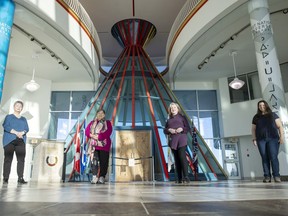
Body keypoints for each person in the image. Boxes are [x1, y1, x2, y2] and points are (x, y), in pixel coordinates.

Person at [251, 100, 284, 183]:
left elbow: (280, 126)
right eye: (260, 105)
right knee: (264, 158)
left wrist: (282, 137)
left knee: (273, 157)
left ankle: (276, 176)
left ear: (266, 105)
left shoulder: (273, 115)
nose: (262, 106)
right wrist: (254, 139)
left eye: (263, 105)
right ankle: (267, 177)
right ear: (258, 107)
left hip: (273, 139)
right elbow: (253, 129)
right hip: (261, 140)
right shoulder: (256, 117)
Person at [2, 101, 29, 184]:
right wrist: (16, 132)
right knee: (8, 159)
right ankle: (6, 177)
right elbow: (6, 126)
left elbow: (26, 128)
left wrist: (22, 133)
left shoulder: (24, 119)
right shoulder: (9, 117)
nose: (18, 107)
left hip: (21, 141)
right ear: (14, 107)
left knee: (21, 160)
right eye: (17, 106)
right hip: (9, 140)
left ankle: (20, 178)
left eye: (20, 106)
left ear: (22, 108)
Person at [164, 102, 191, 183]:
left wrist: (182, 129)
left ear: (177, 108)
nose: (173, 109)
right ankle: (179, 178)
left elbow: (188, 128)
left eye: (174, 107)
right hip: (173, 140)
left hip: (182, 139)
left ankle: (186, 176)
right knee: (176, 159)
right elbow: (165, 130)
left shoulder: (182, 117)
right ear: (170, 110)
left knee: (182, 157)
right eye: (171, 108)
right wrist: (169, 130)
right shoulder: (169, 120)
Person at [85, 109, 112, 184]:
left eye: (102, 113)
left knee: (104, 162)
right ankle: (94, 176)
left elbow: (108, 132)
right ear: (96, 114)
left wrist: (99, 137)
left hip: (104, 145)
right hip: (93, 146)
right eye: (98, 113)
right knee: (94, 161)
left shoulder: (108, 123)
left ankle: (102, 177)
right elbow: (87, 131)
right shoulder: (92, 123)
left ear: (104, 115)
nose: (100, 114)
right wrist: (92, 135)